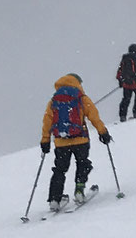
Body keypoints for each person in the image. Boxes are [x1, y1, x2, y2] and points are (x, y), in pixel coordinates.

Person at [40, 72, 111, 208]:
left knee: (60, 170)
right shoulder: (80, 97)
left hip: (61, 142)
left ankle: (55, 200)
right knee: (83, 163)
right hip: (80, 139)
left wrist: (45, 140)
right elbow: (93, 115)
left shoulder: (54, 100)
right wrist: (103, 132)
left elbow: (47, 121)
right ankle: (79, 190)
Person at [116, 44, 136, 121]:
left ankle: (123, 115)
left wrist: (121, 81)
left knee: (126, 99)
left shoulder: (124, 60)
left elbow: (119, 72)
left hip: (127, 84)